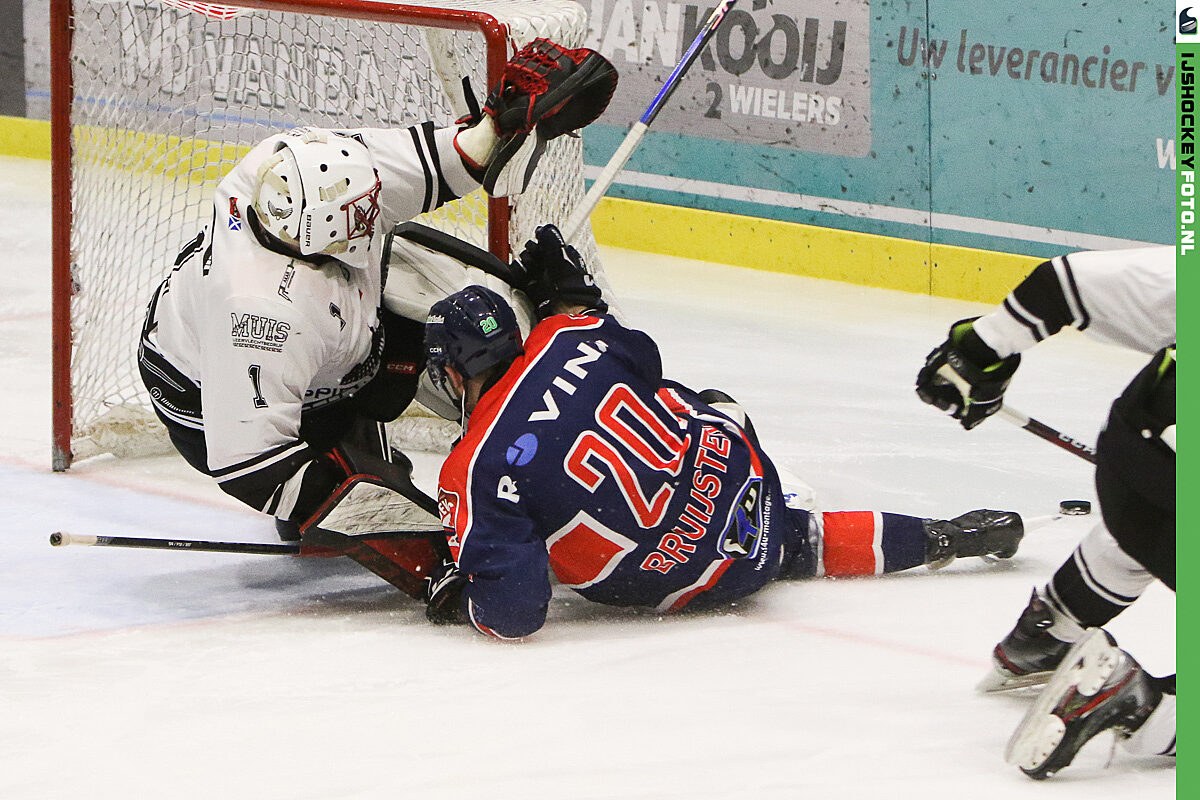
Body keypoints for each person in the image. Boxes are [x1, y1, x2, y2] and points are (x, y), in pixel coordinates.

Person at [136, 38, 617, 575]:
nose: (375, 212)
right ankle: (352, 456)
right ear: (324, 239)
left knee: (492, 308)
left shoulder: (308, 168)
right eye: (362, 218)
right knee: (348, 492)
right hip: (208, 405)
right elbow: (251, 466)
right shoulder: (258, 314)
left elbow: (449, 158)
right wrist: (421, 552)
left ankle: (553, 430)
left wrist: (501, 126)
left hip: (328, 337)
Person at [419, 224, 1026, 639]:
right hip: (744, 494)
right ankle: (942, 537)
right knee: (704, 405)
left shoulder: (473, 466)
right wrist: (575, 301)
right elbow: (640, 357)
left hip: (675, 580)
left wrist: (469, 592)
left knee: (542, 515)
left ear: (453, 368)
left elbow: (516, 615)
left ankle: (787, 537)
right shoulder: (571, 336)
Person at [914, 245, 1175, 778]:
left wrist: (980, 352)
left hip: (1129, 468)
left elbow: (1061, 283)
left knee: (1147, 533)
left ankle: (1048, 631)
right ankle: (1140, 704)